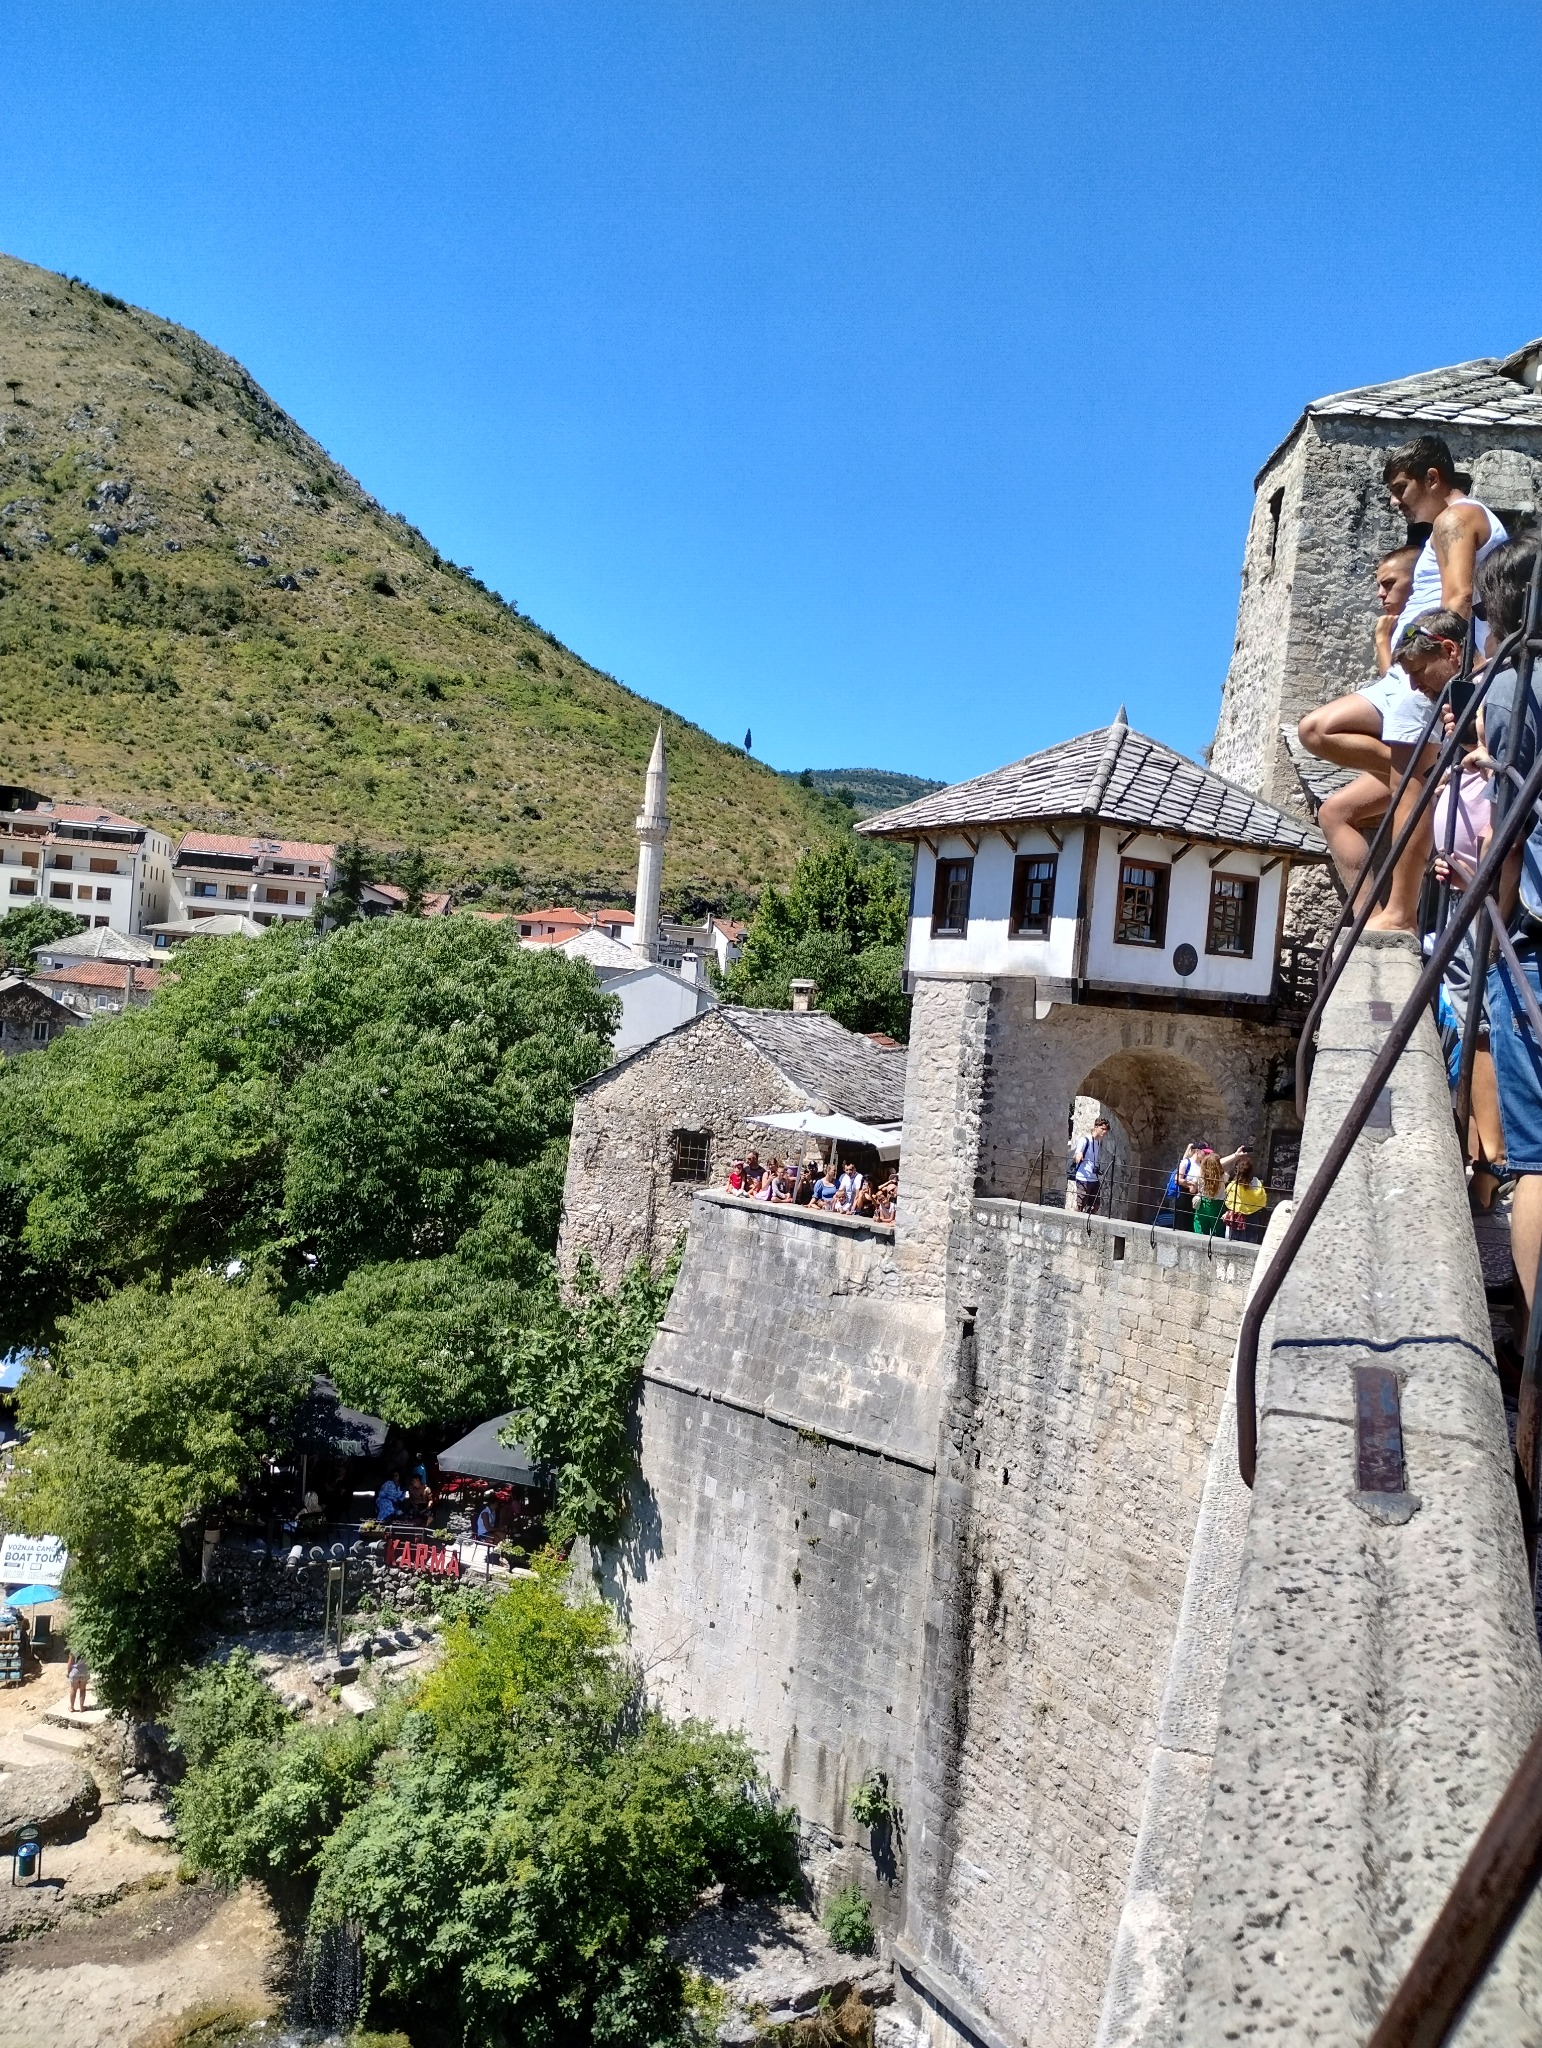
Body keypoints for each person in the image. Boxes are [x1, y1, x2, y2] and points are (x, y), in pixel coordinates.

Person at [1299, 438, 1506, 931]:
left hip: (1427, 664)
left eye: (1401, 487)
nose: (1396, 501)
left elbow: (1457, 599)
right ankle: (1413, 782)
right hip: (1405, 670)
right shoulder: (1446, 524)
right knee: (1317, 731)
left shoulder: (1456, 518)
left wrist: (1449, 673)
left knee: (1410, 786)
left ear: (1433, 478)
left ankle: (1400, 913)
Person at [1475, 538, 1542, 1304]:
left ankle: (1533, 1359)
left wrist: (1490, 919)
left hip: (1535, 936)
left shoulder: (1513, 686)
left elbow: (1512, 830)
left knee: (1538, 1160)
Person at [1223, 1155, 1269, 1242]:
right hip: (1253, 1216)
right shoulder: (1257, 1182)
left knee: (1233, 1242)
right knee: (1251, 1242)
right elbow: (1263, 1199)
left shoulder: (1233, 1185)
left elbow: (1228, 1199)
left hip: (1236, 1217)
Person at [1069, 1117, 1109, 1214]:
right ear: (1096, 1127)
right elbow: (1076, 1155)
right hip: (1083, 1177)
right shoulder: (1085, 1140)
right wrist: (1079, 1155)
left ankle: (1086, 1221)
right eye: (1102, 1129)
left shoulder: (1097, 1142)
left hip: (1094, 1178)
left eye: (1106, 1130)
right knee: (1080, 1205)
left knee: (1095, 1205)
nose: (1104, 1132)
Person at [1191, 1149, 1227, 1236]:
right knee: (1218, 1229)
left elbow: (1192, 1188)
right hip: (1218, 1204)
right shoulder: (1224, 1176)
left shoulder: (1200, 1173)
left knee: (1201, 1227)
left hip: (1203, 1202)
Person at [66, 1647, 89, 1714]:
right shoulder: (86, 1648)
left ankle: (72, 1707)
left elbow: (70, 1662)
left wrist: (68, 1672)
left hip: (75, 1671)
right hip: (84, 1671)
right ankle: (81, 1707)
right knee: (82, 1689)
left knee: (73, 1689)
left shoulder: (74, 1649)